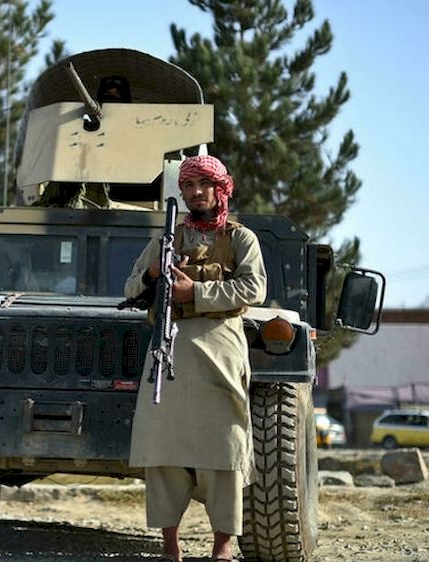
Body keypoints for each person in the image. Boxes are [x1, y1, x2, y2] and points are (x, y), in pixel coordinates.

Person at [124, 155, 267, 562]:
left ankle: (222, 546)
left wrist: (197, 294)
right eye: (188, 186)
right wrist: (154, 274)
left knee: (223, 448)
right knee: (164, 448)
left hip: (220, 349)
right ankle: (171, 546)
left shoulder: (241, 239)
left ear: (220, 190)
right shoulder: (168, 237)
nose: (196, 193)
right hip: (168, 350)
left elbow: (253, 289)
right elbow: (131, 286)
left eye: (205, 185)